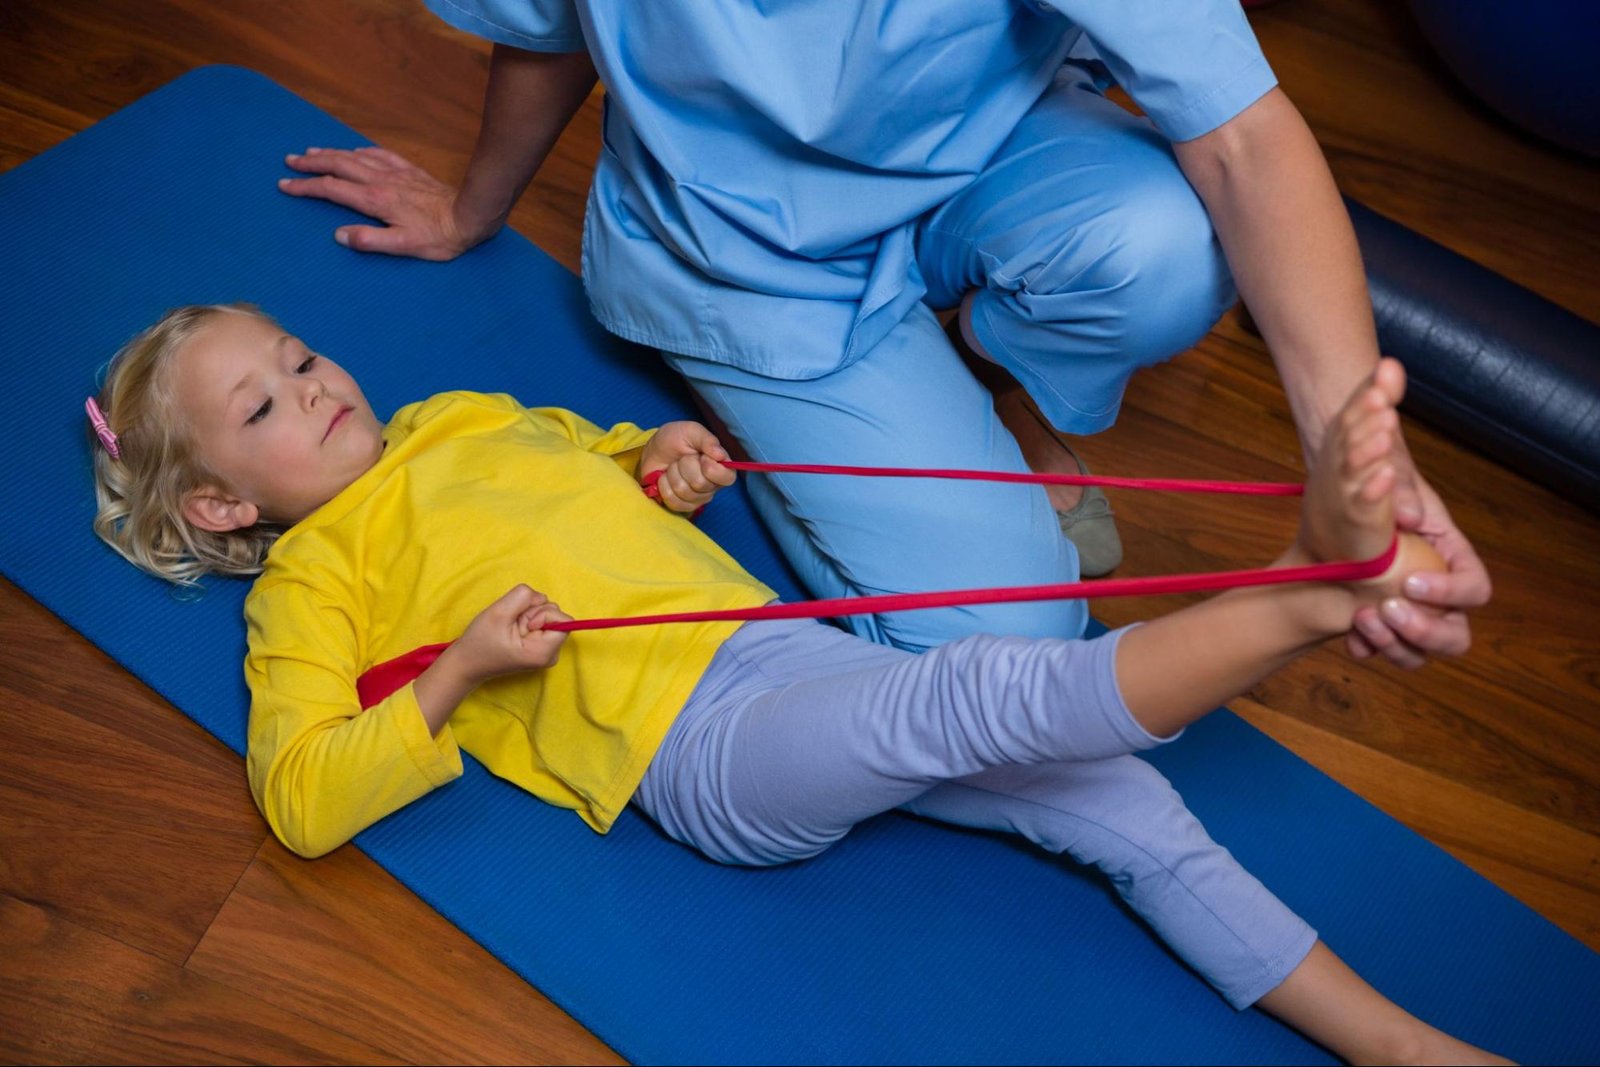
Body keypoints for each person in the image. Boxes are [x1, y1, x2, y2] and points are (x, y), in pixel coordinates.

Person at [87, 303, 1505, 1065]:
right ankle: (1307, 590)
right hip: (698, 747)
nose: (313, 381)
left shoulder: (457, 418)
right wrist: (457, 673)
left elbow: (607, 457)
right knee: (966, 694)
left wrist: (668, 466)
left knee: (1121, 802)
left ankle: (1396, 1042)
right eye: (262, 405)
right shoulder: (306, 585)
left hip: (782, 644)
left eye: (298, 352)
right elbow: (298, 794)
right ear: (219, 508)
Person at [275, 0, 1490, 663]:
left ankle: (979, 369)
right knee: (1015, 636)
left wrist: (1358, 452)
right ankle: (928, 399)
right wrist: (470, 207)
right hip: (746, 258)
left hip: (978, 158)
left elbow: (1238, 136)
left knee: (1162, 251)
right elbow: (548, 29)